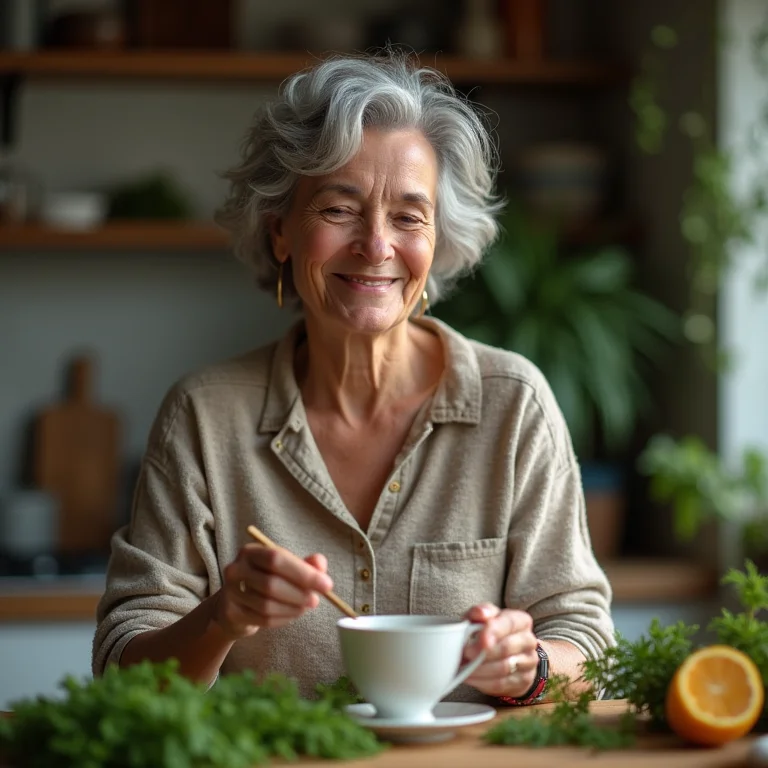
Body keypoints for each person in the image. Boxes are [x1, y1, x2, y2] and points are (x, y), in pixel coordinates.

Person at [92, 50, 614, 706]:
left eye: (408, 216)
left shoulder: (513, 403)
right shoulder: (204, 415)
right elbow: (121, 669)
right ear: (281, 231)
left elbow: (586, 639)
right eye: (339, 209)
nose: (376, 245)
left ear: (438, 238)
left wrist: (530, 663)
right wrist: (222, 615)